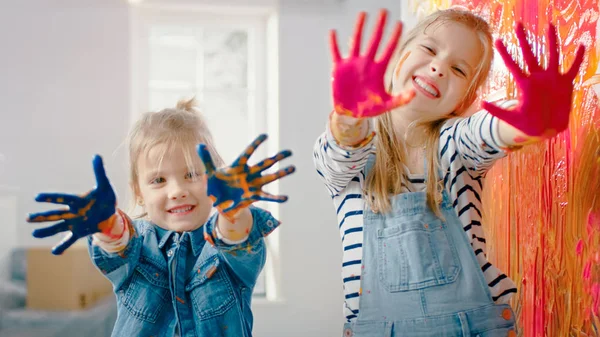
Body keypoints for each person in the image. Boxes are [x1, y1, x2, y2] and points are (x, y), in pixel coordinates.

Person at [314, 8, 585, 336]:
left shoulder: (456, 143)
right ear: (399, 57)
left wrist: (531, 118)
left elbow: (490, 130)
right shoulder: (354, 154)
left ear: (463, 100)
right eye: (429, 49)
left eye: (458, 69)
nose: (439, 67)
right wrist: (348, 118)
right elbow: (340, 156)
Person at [27, 98, 295, 337]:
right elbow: (118, 246)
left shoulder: (224, 245)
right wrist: (107, 225)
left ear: (215, 181)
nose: (177, 191)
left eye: (191, 174)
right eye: (159, 180)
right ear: (139, 192)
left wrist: (233, 210)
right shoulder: (137, 245)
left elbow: (235, 236)